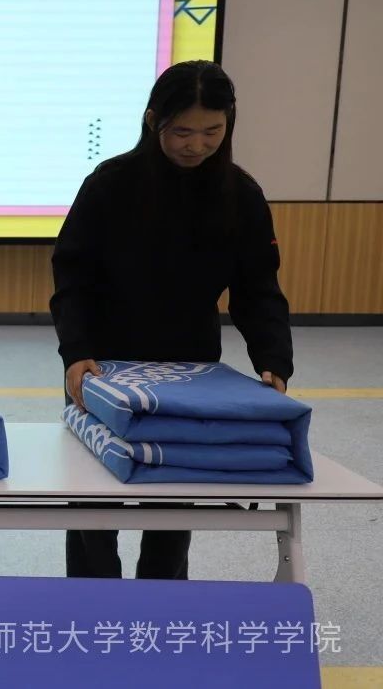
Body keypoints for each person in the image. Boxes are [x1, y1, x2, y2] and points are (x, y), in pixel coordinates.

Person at [50, 60, 293, 579]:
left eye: (212, 131)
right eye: (182, 131)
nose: (196, 145)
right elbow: (72, 277)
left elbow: (257, 288)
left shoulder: (241, 194)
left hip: (191, 365)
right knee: (92, 501)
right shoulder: (110, 184)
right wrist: (76, 352)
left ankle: (160, 603)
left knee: (175, 497)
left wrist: (273, 359)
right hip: (103, 363)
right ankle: (91, 603)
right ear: (152, 120)